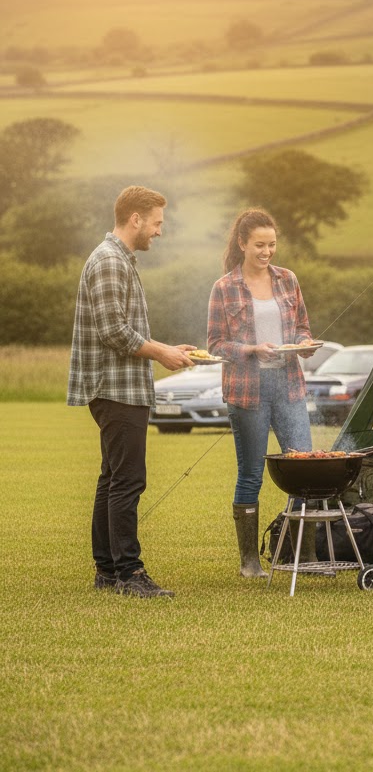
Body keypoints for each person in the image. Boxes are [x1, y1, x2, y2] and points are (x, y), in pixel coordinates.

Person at [68, 185, 196, 598]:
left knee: (112, 479)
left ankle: (107, 571)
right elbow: (113, 332)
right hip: (115, 389)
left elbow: (126, 329)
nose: (160, 231)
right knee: (127, 480)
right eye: (157, 222)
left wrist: (168, 349)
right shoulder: (108, 261)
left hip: (121, 387)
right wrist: (160, 353)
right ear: (136, 219)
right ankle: (130, 574)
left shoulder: (121, 259)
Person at [207, 208, 320, 578]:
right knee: (252, 474)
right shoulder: (225, 287)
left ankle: (303, 557)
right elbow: (216, 345)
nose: (267, 251)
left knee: (304, 469)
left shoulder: (288, 280)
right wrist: (251, 351)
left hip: (288, 386)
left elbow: (302, 326)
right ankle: (249, 562)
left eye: (272, 244)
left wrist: (303, 344)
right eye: (259, 244)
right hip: (247, 392)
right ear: (242, 244)